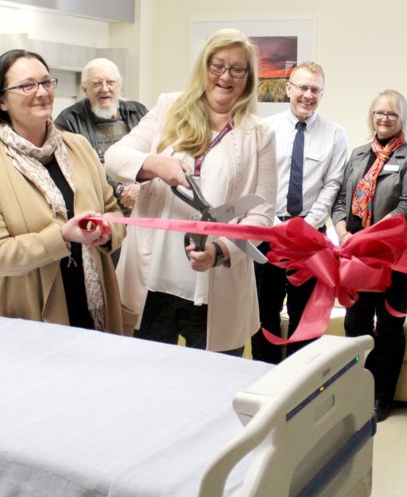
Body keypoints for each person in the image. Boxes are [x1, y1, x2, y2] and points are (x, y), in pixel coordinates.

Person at [104, 28, 276, 355]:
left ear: (248, 76)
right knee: (146, 382)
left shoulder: (259, 133)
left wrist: (222, 251)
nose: (225, 76)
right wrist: (154, 165)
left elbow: (262, 212)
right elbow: (114, 157)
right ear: (204, 66)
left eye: (237, 68)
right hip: (152, 284)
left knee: (214, 388)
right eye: (217, 65)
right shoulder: (169, 108)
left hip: (216, 291)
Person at [0, 49, 127, 332]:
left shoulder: (79, 147)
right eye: (27, 85)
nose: (41, 92)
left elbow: (112, 210)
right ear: (1, 101)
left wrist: (105, 233)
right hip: (30, 313)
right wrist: (62, 236)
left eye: (45, 82)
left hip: (95, 304)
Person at [333, 89, 407, 422]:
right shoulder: (358, 155)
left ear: (403, 120)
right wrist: (343, 232)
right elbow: (341, 201)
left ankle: (381, 397)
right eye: (379, 113)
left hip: (394, 256)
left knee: (389, 326)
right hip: (356, 254)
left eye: (392, 114)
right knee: (356, 322)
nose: (384, 119)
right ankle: (356, 390)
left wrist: (371, 237)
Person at [251, 61, 348, 363]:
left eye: (315, 89)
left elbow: (332, 186)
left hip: (309, 239)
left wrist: (305, 227)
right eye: (302, 87)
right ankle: (263, 382)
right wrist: (271, 224)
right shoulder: (264, 129)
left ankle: (298, 388)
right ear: (288, 88)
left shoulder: (335, 134)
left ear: (323, 94)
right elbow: (255, 180)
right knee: (262, 315)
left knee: (305, 319)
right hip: (267, 234)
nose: (308, 95)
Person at [55, 58, 147, 211]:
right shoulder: (69, 120)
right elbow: (74, 167)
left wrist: (142, 188)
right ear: (85, 89)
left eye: (110, 82)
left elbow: (156, 152)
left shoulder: (138, 112)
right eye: (96, 84)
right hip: (99, 209)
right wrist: (119, 189)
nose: (105, 89)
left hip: (141, 205)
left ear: (119, 85)